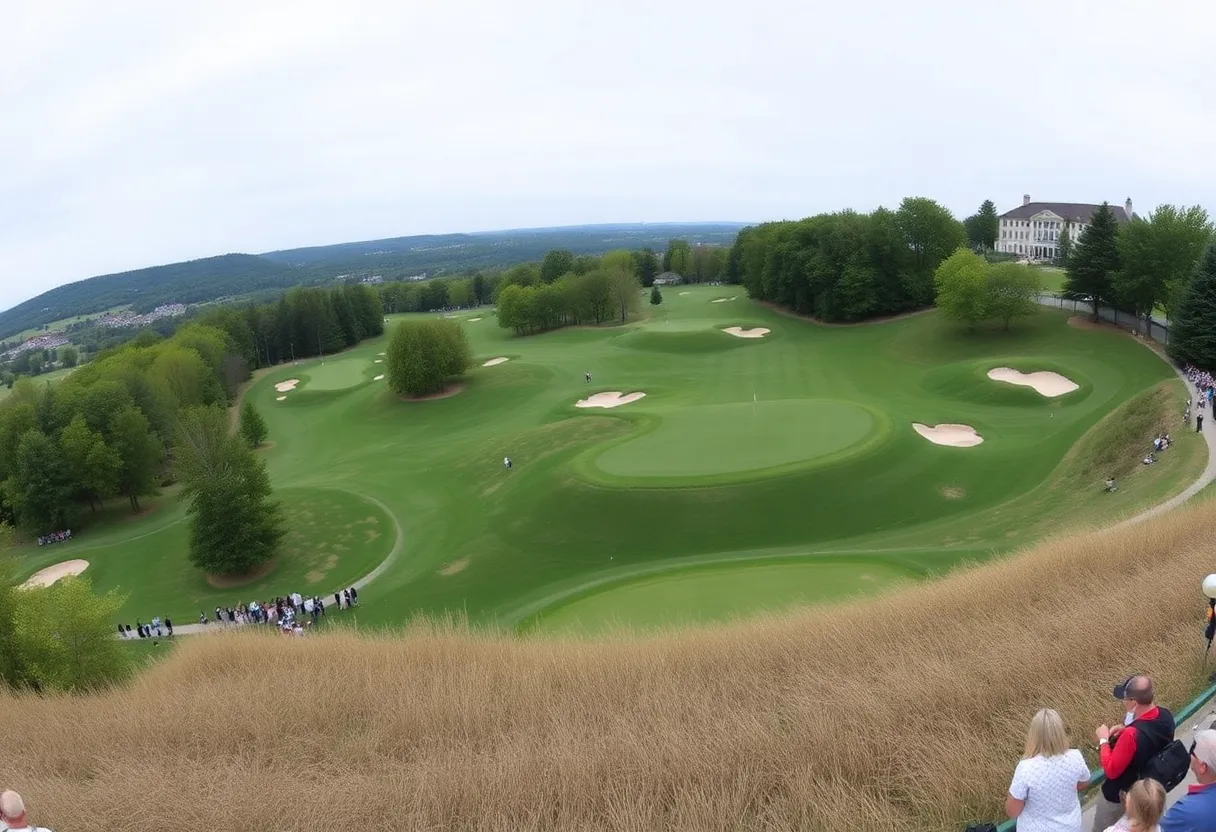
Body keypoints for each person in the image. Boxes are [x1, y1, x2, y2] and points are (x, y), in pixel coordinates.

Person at [1092, 675, 1176, 832]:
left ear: (1134, 703)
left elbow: (1111, 770)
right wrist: (1126, 728)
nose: (1124, 702)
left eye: (1125, 699)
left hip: (1122, 795)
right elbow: (1150, 732)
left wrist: (1103, 740)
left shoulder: (1131, 735)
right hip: (1150, 789)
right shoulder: (1165, 715)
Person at [1006, 708, 1090, 832]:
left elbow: (1012, 812)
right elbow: (1085, 781)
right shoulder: (1075, 757)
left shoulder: (1026, 768)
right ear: (1060, 732)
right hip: (1071, 827)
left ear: (1034, 735)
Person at [1161, 728, 1216, 832]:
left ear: (1202, 767)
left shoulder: (1186, 811)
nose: (1189, 756)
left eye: (1192, 751)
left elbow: (1155, 829)